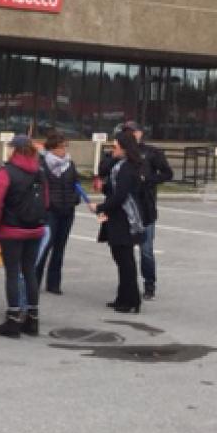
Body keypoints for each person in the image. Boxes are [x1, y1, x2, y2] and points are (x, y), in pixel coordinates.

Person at [0, 135, 49, 338]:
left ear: (14, 149)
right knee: (29, 271)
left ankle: (13, 318)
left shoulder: (7, 172)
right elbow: (46, 201)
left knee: (13, 273)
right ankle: (33, 318)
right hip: (35, 228)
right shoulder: (40, 171)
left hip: (12, 228)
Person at [92, 130, 147, 313]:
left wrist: (100, 207)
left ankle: (131, 300)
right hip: (117, 217)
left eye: (115, 146)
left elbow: (120, 196)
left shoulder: (127, 167)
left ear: (124, 148)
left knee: (125, 260)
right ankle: (122, 297)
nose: (112, 149)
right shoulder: (119, 165)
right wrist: (104, 186)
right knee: (121, 258)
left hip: (125, 218)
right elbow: (114, 188)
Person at [123, 121, 172, 300]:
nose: (131, 134)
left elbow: (167, 173)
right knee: (124, 250)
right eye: (127, 132)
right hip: (126, 207)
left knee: (146, 250)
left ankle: (149, 284)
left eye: (133, 131)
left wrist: (149, 180)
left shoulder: (152, 152)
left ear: (140, 133)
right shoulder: (122, 152)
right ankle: (127, 285)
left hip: (146, 208)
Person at [36, 131, 81, 295]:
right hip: (50, 212)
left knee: (60, 248)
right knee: (44, 247)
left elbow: (76, 183)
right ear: (52, 148)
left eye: (65, 147)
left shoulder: (70, 164)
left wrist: (75, 199)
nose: (64, 151)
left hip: (67, 210)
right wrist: (47, 204)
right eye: (60, 147)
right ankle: (35, 281)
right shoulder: (42, 164)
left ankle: (54, 283)